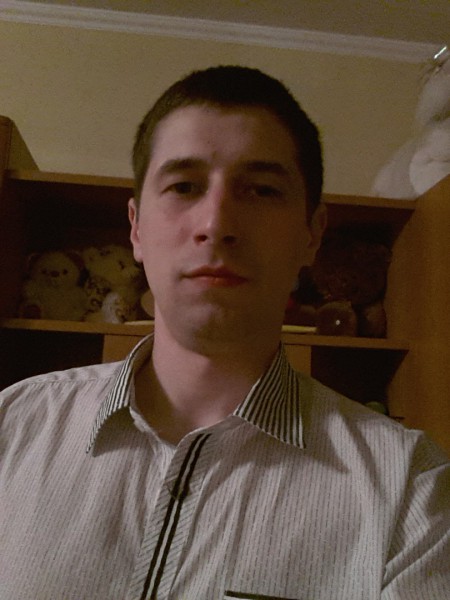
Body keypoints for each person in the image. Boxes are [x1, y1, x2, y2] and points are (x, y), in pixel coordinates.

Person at [0, 66, 449, 600]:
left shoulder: (410, 488)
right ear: (136, 227)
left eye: (261, 190)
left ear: (312, 234)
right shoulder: (12, 426)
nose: (216, 223)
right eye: (183, 186)